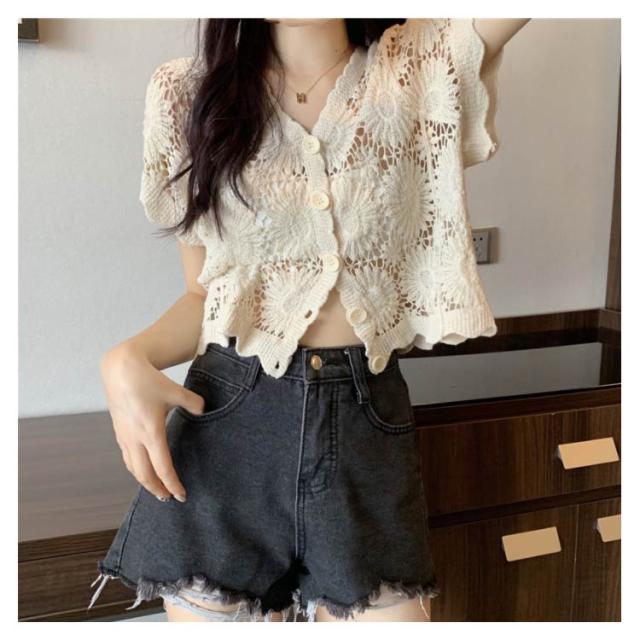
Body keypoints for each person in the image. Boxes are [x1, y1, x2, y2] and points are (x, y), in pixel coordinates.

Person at [88, 17, 530, 622]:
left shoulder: (420, 64)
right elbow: (204, 296)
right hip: (229, 426)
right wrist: (126, 358)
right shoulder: (188, 92)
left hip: (365, 426)